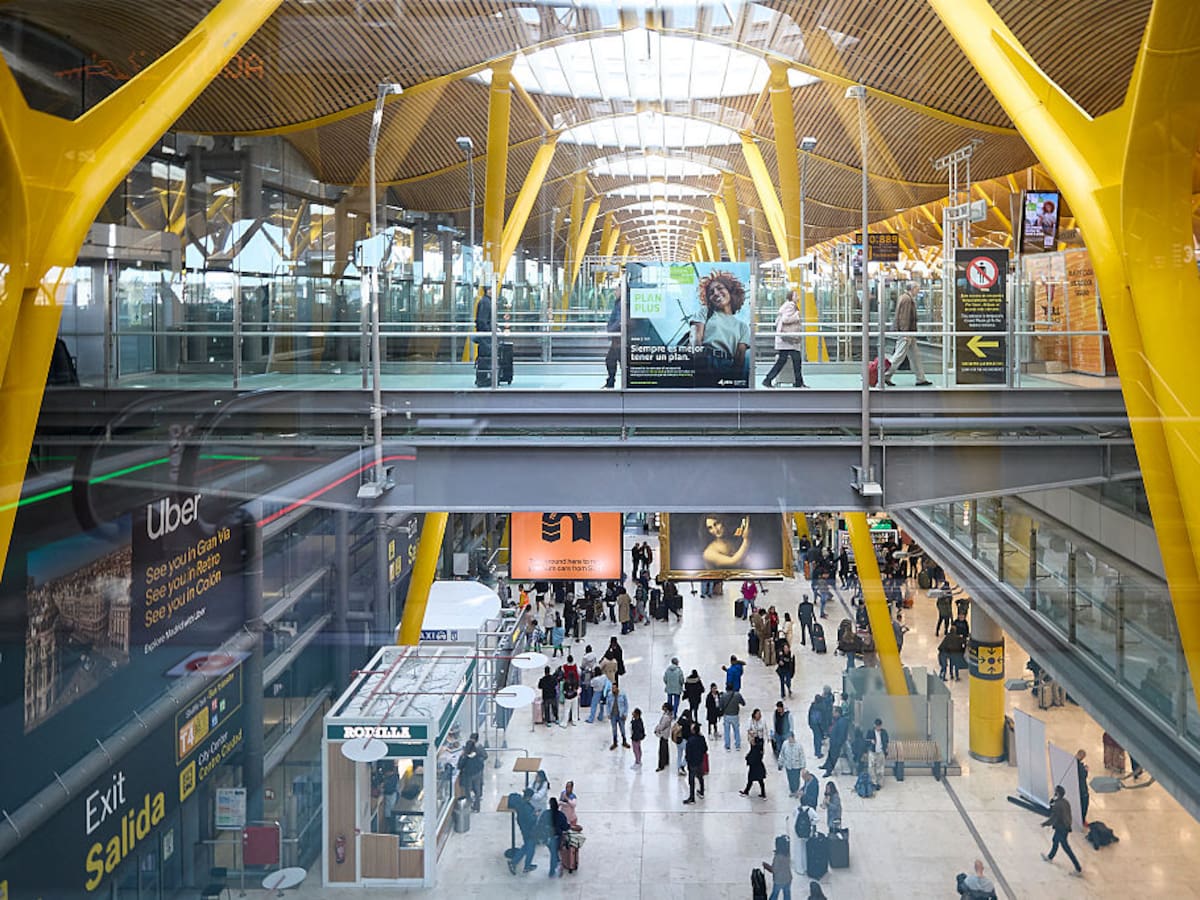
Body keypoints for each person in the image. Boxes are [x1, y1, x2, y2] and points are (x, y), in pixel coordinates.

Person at [690, 269, 751, 386]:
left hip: (727, 367)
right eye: (711, 292)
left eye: (720, 288)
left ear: (730, 291)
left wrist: (733, 380)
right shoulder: (705, 312)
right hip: (704, 362)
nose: (716, 293)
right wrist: (699, 364)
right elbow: (695, 340)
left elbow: (739, 360)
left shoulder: (742, 327)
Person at [884, 281, 932, 386]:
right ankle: (885, 375)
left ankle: (921, 378)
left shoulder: (905, 298)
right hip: (907, 333)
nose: (918, 291)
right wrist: (905, 333)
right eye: (917, 289)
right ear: (913, 288)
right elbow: (904, 317)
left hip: (909, 333)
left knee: (915, 356)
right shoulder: (907, 299)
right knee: (898, 356)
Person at [763, 288, 805, 389]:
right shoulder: (790, 305)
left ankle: (798, 382)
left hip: (786, 339)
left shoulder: (788, 305)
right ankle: (768, 380)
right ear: (791, 297)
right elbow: (786, 319)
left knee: (788, 360)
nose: (798, 297)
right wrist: (797, 316)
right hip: (788, 339)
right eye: (795, 295)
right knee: (794, 360)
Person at [1041, 784, 1083, 877]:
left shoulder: (1058, 805)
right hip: (1066, 826)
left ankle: (1078, 868)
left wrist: (1045, 824)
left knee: (1066, 848)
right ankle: (1050, 857)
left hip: (1061, 828)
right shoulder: (1065, 802)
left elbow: (1053, 818)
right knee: (1055, 840)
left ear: (1057, 793)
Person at [537, 796, 571, 877]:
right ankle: (556, 866)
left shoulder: (545, 814)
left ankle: (553, 869)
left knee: (553, 852)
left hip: (547, 838)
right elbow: (565, 827)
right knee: (554, 852)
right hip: (556, 837)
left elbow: (540, 825)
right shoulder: (561, 815)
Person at [507, 788, 539, 874]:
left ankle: (519, 864)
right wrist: (536, 815)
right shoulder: (526, 807)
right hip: (529, 830)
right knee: (530, 847)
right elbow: (531, 819)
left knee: (527, 846)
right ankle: (518, 864)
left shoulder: (521, 803)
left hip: (524, 828)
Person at [682, 722, 708, 803]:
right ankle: (702, 791)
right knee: (700, 777)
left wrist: (688, 760)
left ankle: (692, 797)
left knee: (691, 780)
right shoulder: (702, 738)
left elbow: (688, 753)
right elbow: (705, 749)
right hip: (699, 761)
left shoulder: (690, 740)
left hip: (692, 763)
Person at [456, 740, 485, 812]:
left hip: (468, 775)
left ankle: (469, 805)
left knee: (467, 791)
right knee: (477, 790)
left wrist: (461, 756)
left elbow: (459, 766)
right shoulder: (477, 755)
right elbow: (481, 763)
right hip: (477, 773)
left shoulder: (466, 758)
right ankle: (477, 807)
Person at [762, 834, 794, 900]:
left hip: (779, 880)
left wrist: (766, 866)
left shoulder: (777, 857)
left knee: (775, 894)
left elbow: (774, 870)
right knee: (787, 894)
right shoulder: (787, 854)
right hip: (788, 878)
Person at [473, 287, 494, 387]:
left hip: (485, 334)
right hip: (485, 335)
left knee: (484, 356)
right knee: (485, 356)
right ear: (488, 290)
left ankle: (482, 378)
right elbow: (482, 321)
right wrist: (489, 331)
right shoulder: (486, 302)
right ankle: (482, 379)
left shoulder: (486, 301)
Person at [820, 708, 849, 777]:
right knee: (830, 754)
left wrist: (837, 743)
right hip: (833, 742)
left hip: (836, 743)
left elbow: (841, 734)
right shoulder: (838, 720)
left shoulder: (842, 721)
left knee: (833, 757)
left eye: (834, 712)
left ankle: (829, 771)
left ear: (838, 713)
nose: (833, 714)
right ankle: (826, 765)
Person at [603, 288, 622, 389]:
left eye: (617, 290)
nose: (615, 292)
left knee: (612, 359)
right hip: (617, 338)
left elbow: (620, 320)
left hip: (619, 338)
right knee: (612, 359)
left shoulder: (621, 304)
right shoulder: (619, 303)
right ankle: (611, 380)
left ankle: (611, 381)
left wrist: (611, 329)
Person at [719, 683, 746, 750]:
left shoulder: (723, 696)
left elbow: (720, 706)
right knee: (736, 730)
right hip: (735, 715)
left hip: (727, 715)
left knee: (727, 731)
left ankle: (727, 745)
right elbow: (743, 703)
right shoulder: (737, 695)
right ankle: (737, 745)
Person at [779, 731, 806, 796]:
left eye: (790, 738)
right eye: (788, 738)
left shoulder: (799, 746)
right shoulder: (785, 744)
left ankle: (796, 791)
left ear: (793, 737)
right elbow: (782, 754)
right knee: (790, 779)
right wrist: (780, 763)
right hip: (788, 766)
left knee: (796, 779)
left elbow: (802, 756)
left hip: (796, 766)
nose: (789, 740)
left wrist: (803, 766)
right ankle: (792, 791)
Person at [868, 718, 889, 791]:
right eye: (877, 726)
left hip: (880, 752)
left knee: (880, 768)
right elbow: (866, 740)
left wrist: (886, 748)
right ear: (874, 725)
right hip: (872, 752)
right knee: (871, 767)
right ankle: (873, 782)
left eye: (879, 726)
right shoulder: (870, 732)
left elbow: (886, 741)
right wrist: (871, 741)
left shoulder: (884, 732)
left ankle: (879, 783)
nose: (878, 728)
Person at [607, 685, 630, 750]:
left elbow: (626, 705)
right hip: (613, 715)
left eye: (614, 688)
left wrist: (625, 714)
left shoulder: (622, 695)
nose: (613, 689)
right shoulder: (609, 695)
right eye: (612, 688)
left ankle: (624, 741)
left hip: (621, 715)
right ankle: (615, 742)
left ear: (617, 688)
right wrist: (608, 713)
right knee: (614, 729)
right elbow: (608, 704)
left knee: (622, 729)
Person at [654, 702, 674, 772]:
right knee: (665, 748)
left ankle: (661, 765)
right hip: (666, 734)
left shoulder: (666, 717)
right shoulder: (670, 715)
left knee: (662, 750)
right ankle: (666, 761)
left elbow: (662, 726)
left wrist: (656, 729)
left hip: (663, 734)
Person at [561, 655, 580, 725]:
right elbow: (579, 673)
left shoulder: (564, 667)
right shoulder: (575, 667)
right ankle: (574, 721)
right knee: (575, 709)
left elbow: (564, 690)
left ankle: (565, 722)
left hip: (568, 697)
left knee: (566, 710)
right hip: (574, 695)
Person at [1076, 749, 1090, 824]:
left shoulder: (1071, 762)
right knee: (1084, 804)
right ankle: (1082, 820)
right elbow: (1083, 776)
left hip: (1075, 788)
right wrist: (1086, 770)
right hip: (1082, 789)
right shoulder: (1080, 767)